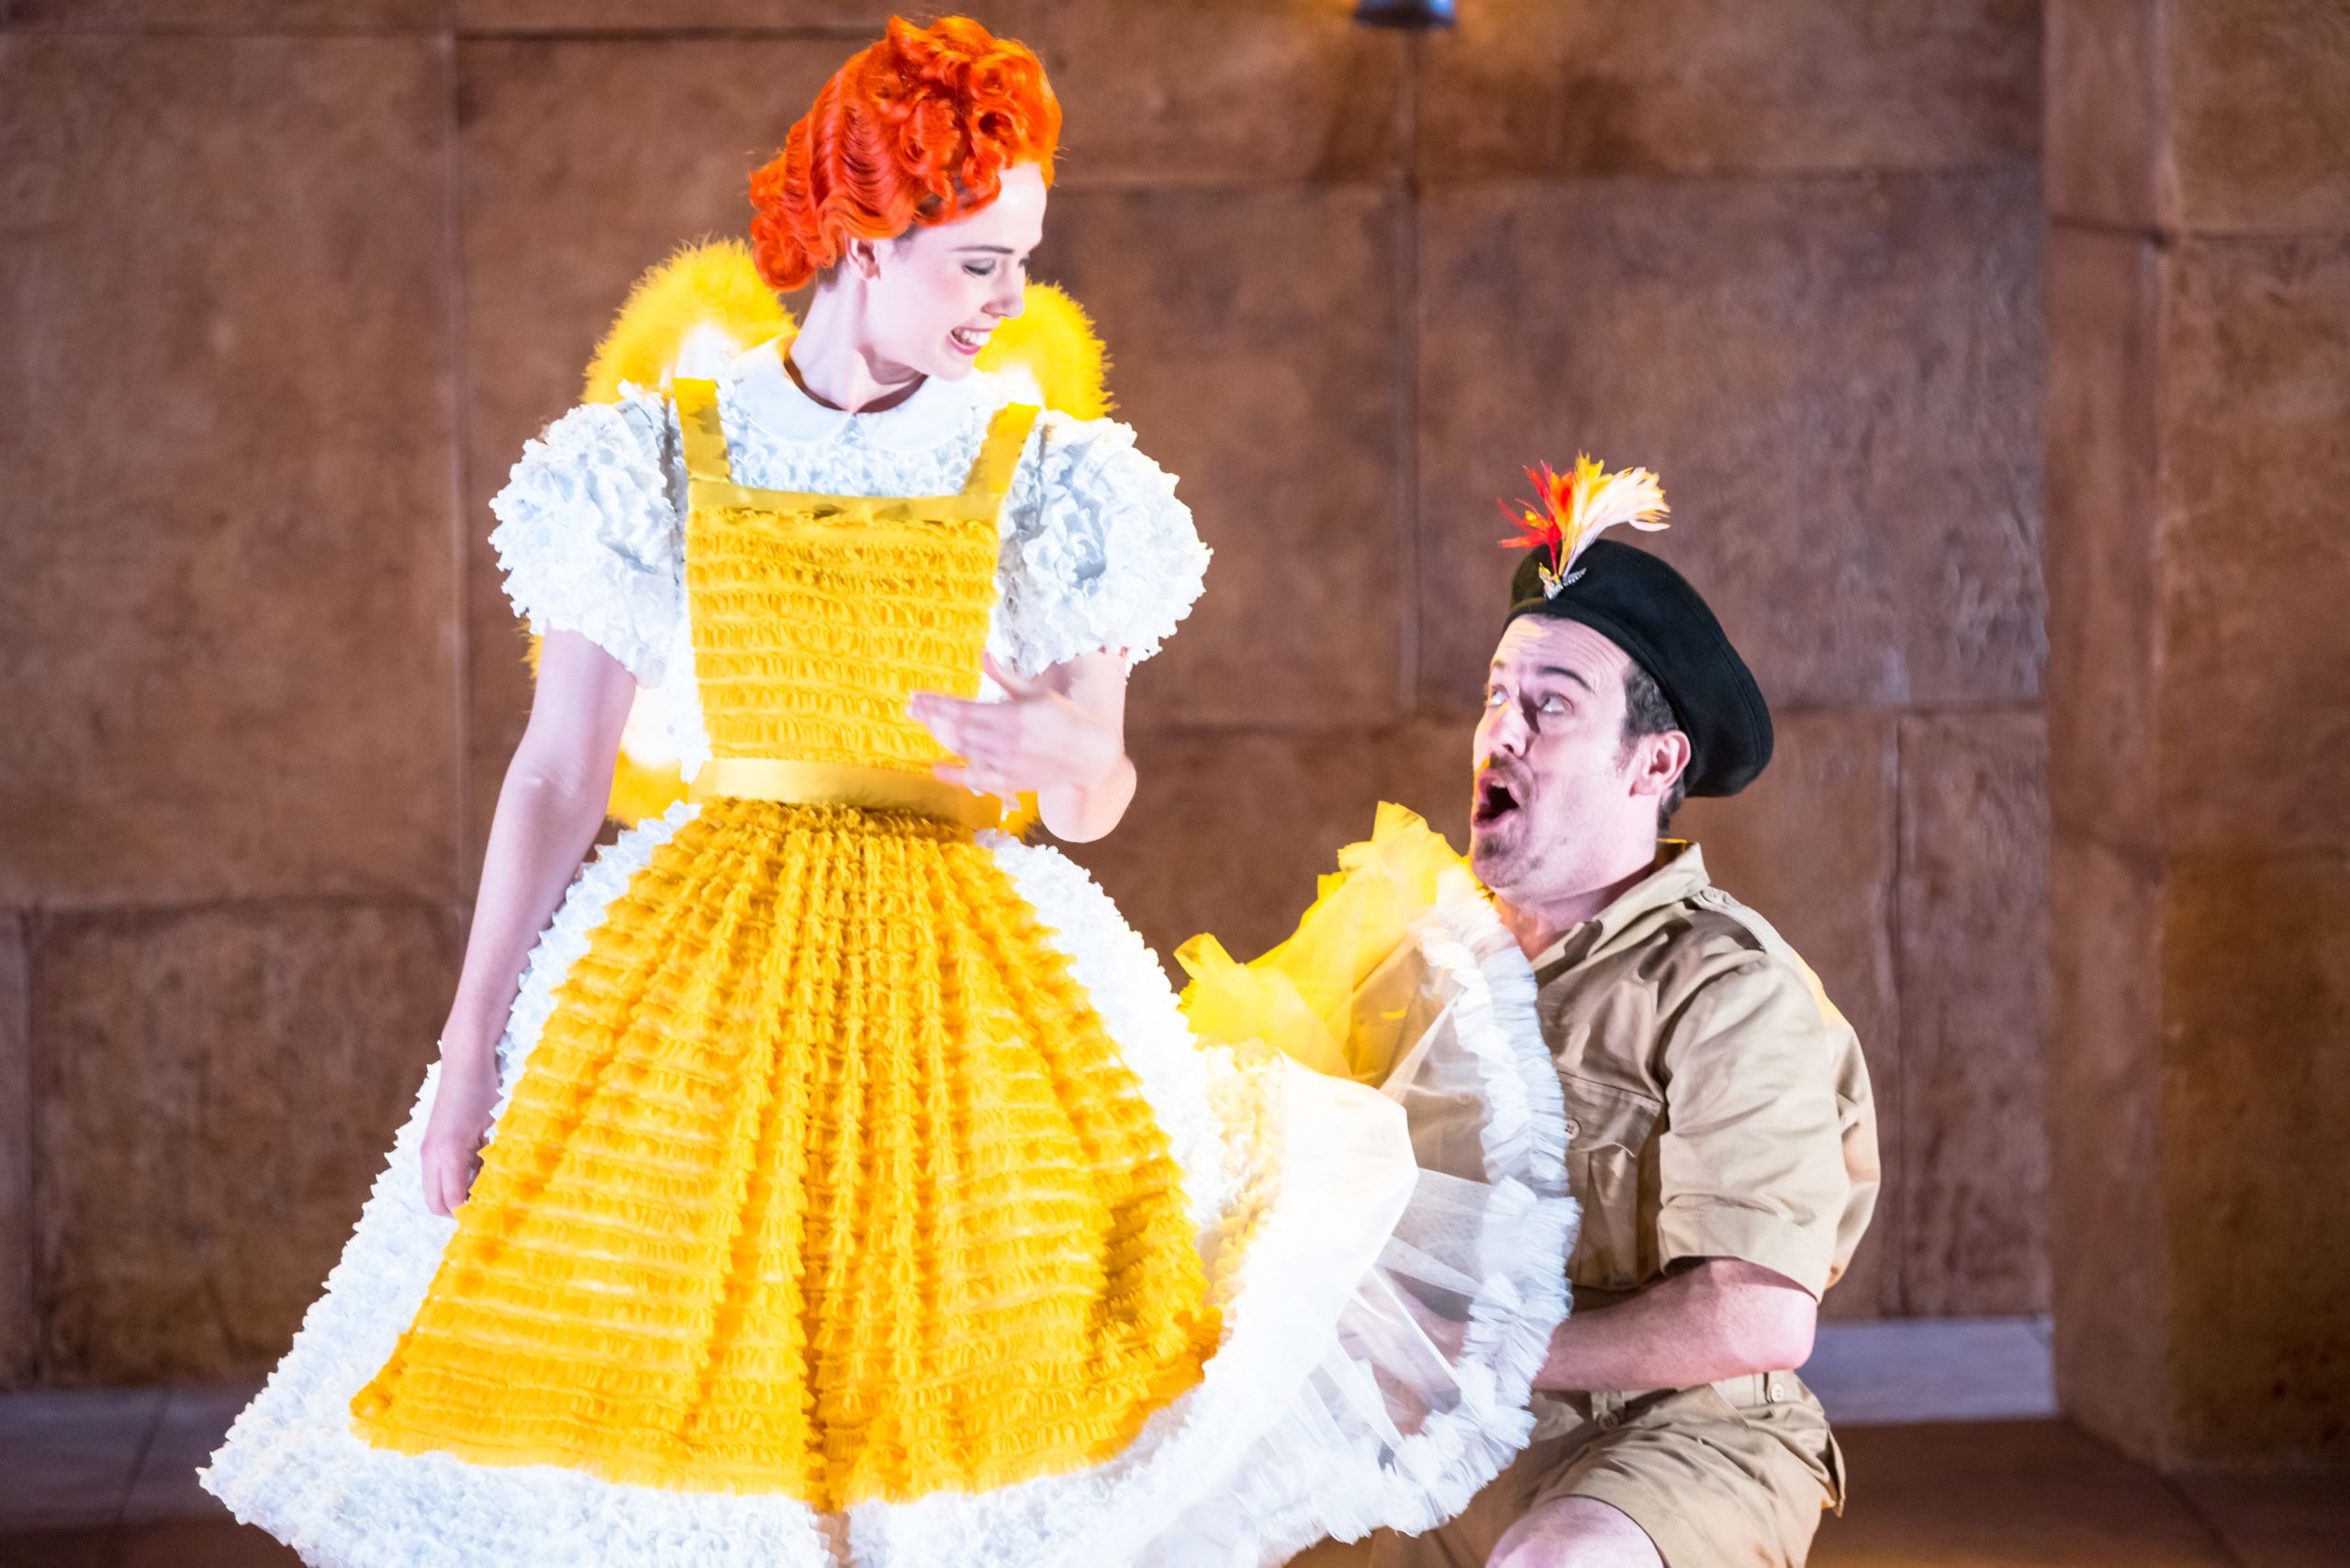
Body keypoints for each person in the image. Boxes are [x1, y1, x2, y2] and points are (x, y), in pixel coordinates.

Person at [201, 18, 1573, 1567]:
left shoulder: (1054, 474)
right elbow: (556, 773)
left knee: (969, 1408)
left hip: (964, 990)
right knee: (673, 1385)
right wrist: (468, 1053)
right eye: (978, 263)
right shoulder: (652, 458)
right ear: (865, 235)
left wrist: (1063, 757)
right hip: (699, 981)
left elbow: (1099, 787)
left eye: (1021, 262)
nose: (1009, 300)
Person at [1302, 459, 1880, 1568]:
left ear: (1651, 762)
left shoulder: (1726, 989)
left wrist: (1476, 1350)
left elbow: (1758, 1317)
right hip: (1440, 1432)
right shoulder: (1419, 959)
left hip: (1676, 1435)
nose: (1501, 732)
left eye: (1551, 705)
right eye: (1495, 696)